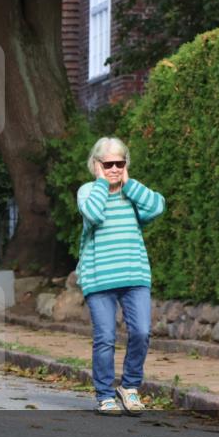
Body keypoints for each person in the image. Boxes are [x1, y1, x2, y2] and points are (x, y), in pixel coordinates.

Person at [76, 137, 166, 416]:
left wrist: (129, 183)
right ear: (96, 165)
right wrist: (103, 182)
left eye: (120, 163)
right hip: (99, 278)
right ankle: (104, 394)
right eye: (108, 164)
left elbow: (157, 207)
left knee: (141, 332)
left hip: (134, 275)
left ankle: (129, 387)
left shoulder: (133, 193)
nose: (114, 168)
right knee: (105, 337)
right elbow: (94, 214)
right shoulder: (88, 191)